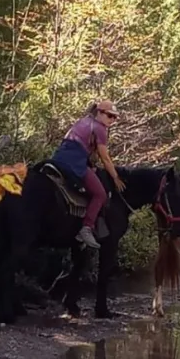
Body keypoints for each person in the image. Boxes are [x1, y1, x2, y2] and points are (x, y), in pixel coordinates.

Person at [51, 100, 125, 249]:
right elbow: (105, 158)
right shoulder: (100, 129)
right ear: (100, 113)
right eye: (110, 116)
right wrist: (116, 177)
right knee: (100, 194)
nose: (112, 120)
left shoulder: (84, 121)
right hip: (75, 162)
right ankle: (87, 227)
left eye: (115, 117)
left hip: (59, 157)